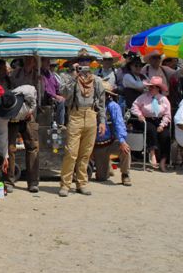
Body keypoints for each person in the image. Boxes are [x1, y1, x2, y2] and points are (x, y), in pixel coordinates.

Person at [59, 49, 106, 197]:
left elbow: (102, 103)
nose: (84, 63)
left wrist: (102, 121)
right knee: (71, 152)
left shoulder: (97, 81)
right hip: (75, 115)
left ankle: (81, 183)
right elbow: (63, 94)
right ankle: (65, 184)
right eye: (81, 61)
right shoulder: (70, 78)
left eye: (87, 61)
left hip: (91, 115)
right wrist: (74, 77)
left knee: (85, 154)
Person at [0, 84, 37, 193]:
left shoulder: (26, 91)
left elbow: (33, 93)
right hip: (12, 123)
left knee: (33, 147)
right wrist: (4, 155)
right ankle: (9, 181)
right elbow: (2, 135)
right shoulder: (2, 117)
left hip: (27, 117)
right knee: (10, 148)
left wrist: (31, 110)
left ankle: (33, 182)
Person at [93, 81, 132, 186]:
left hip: (111, 142)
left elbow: (119, 124)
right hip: (97, 145)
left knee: (125, 150)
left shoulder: (113, 106)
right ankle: (107, 166)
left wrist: (122, 141)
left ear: (107, 94)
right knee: (101, 178)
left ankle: (125, 174)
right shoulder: (91, 106)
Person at [131, 76, 172, 172]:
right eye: (150, 86)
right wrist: (139, 115)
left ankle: (163, 160)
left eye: (153, 87)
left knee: (165, 135)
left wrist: (162, 125)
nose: (150, 88)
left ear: (158, 88)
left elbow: (167, 114)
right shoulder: (143, 97)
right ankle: (152, 153)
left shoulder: (163, 99)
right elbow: (134, 106)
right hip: (147, 119)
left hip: (160, 120)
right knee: (151, 129)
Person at [40, 57, 66, 126]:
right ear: (41, 62)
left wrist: (60, 94)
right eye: (47, 62)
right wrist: (56, 96)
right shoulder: (40, 74)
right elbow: (45, 90)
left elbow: (56, 85)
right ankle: (60, 124)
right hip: (46, 98)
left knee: (65, 99)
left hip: (53, 96)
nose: (49, 64)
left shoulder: (50, 74)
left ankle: (62, 123)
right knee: (61, 101)